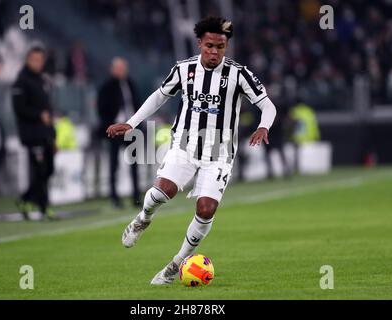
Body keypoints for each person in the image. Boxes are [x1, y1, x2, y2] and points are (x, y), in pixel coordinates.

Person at [107, 16, 277, 284]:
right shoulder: (183, 69)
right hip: (186, 145)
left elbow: (268, 105)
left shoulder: (239, 74)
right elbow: (159, 96)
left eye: (220, 47)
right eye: (209, 45)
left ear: (226, 47)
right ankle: (143, 218)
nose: (214, 52)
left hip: (220, 154)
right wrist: (130, 123)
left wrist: (264, 126)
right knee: (164, 190)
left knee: (207, 209)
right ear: (200, 44)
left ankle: (175, 265)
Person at [11, 47, 56, 220]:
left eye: (40, 59)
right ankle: (44, 207)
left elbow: (48, 110)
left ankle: (26, 198)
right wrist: (38, 115)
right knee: (39, 170)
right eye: (34, 59)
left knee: (48, 169)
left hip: (45, 133)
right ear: (27, 60)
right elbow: (19, 108)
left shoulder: (42, 80)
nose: (38, 63)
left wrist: (53, 134)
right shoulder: (21, 81)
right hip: (31, 134)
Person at [98, 57, 141, 208]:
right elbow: (101, 109)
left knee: (134, 165)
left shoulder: (130, 83)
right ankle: (114, 198)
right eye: (119, 68)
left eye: (124, 68)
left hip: (130, 129)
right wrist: (110, 126)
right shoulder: (107, 86)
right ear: (113, 69)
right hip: (115, 131)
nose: (122, 71)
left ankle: (136, 196)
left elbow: (137, 105)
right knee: (114, 164)